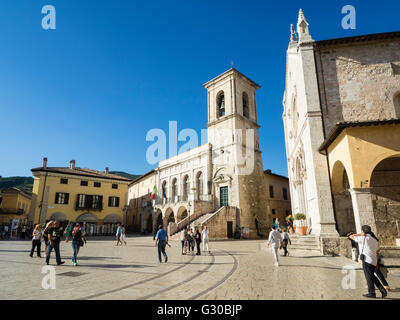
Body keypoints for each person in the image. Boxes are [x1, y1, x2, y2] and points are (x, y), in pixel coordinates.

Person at [348, 225, 387, 299]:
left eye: (362, 231)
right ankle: (382, 290)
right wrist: (376, 263)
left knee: (369, 277)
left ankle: (372, 293)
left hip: (366, 260)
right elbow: (377, 252)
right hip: (373, 260)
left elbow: (351, 237)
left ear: (363, 231)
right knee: (371, 276)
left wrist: (358, 234)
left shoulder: (364, 238)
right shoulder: (375, 240)